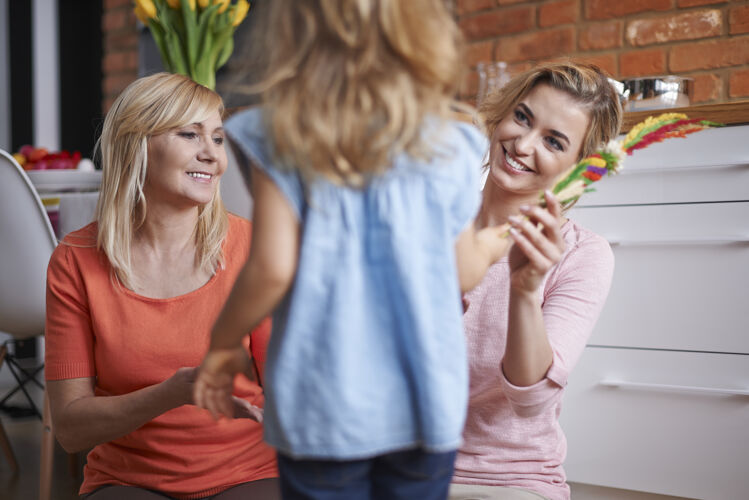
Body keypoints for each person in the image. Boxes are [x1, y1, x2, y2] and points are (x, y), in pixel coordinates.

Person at [193, 1, 512, 499]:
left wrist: (222, 341)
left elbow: (273, 267)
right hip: (424, 401)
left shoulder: (282, 133)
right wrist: (494, 243)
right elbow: (461, 271)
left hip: (323, 406)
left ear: (294, 32)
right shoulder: (454, 141)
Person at [44, 72, 279, 499]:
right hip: (129, 479)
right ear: (137, 146)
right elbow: (70, 430)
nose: (212, 154)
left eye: (219, 138)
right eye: (190, 134)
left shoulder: (252, 248)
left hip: (250, 470)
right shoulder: (75, 261)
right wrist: (168, 395)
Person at [449, 62, 623, 500]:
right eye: (522, 117)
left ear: (581, 167)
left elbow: (529, 402)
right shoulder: (432, 221)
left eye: (553, 141)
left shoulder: (582, 254)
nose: (523, 144)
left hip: (507, 480)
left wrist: (524, 291)